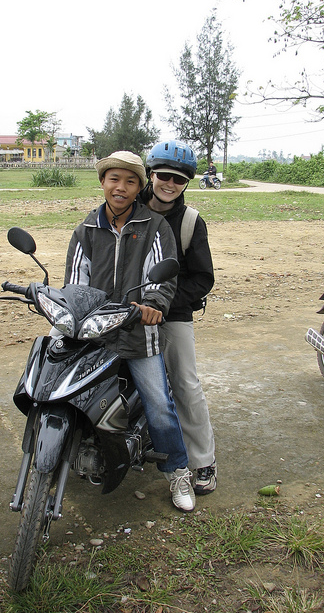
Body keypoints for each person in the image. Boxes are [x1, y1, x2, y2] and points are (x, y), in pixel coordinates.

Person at [65, 150, 196, 512]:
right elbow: (75, 284)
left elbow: (162, 279)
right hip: (94, 335)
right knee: (63, 391)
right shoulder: (86, 231)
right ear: (102, 182)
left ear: (140, 187)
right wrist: (73, 311)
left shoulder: (155, 227)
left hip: (139, 334)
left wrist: (152, 305)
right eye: (114, 179)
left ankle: (177, 471)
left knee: (159, 404)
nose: (120, 187)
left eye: (130, 181)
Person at [142, 140, 217, 495]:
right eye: (164, 176)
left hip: (173, 313)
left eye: (180, 179)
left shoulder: (190, 222)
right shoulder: (129, 209)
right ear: (151, 175)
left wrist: (164, 304)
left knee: (185, 383)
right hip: (127, 308)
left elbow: (203, 278)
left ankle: (203, 461)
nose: (170, 184)